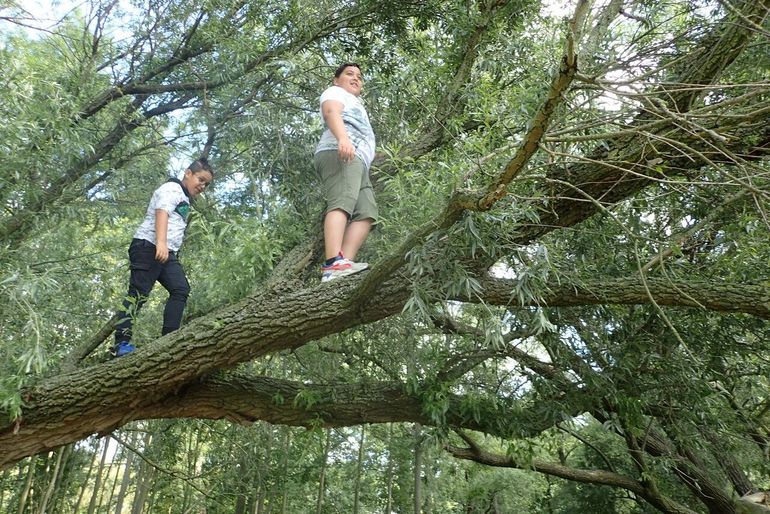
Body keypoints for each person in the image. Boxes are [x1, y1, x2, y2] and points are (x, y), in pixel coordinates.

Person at [112, 158, 214, 357]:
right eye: (200, 180)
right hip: (149, 246)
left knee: (180, 288)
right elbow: (162, 213)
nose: (202, 186)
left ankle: (169, 340)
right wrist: (160, 242)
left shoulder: (184, 197)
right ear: (188, 173)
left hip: (166, 252)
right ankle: (121, 344)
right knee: (138, 293)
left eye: (206, 184)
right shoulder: (172, 189)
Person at [314, 62, 378, 282]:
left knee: (367, 212)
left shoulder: (357, 103)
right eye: (349, 74)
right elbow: (331, 111)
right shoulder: (335, 92)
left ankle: (343, 267)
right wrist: (343, 139)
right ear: (336, 79)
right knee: (342, 202)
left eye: (359, 76)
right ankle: (333, 263)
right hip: (338, 152)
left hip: (358, 162)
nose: (355, 78)